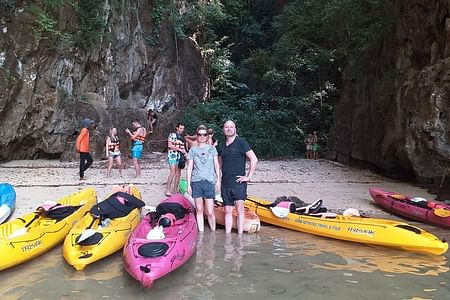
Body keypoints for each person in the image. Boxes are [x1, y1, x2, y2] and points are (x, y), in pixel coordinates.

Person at [218, 120, 258, 234]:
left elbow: (254, 159)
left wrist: (248, 177)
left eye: (231, 127)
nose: (229, 129)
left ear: (235, 129)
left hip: (238, 183)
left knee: (240, 210)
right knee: (228, 211)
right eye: (227, 127)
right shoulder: (221, 146)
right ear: (223, 129)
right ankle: (228, 237)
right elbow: (219, 162)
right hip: (225, 183)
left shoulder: (241, 142)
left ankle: (240, 237)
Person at [186, 125, 221, 232]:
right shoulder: (192, 150)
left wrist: (218, 181)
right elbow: (189, 168)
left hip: (209, 182)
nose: (202, 136)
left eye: (204, 134)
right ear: (197, 136)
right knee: (199, 209)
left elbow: (216, 166)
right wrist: (188, 185)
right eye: (200, 134)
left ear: (207, 137)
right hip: (196, 182)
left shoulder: (212, 149)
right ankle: (201, 233)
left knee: (210, 211)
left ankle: (213, 233)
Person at [165, 122, 187, 196]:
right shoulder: (172, 135)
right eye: (180, 128)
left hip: (179, 156)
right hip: (172, 156)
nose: (182, 130)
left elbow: (183, 148)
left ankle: (175, 190)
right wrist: (179, 149)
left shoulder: (182, 137)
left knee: (178, 174)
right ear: (177, 128)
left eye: (183, 129)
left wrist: (185, 153)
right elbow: (170, 145)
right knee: (173, 172)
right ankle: (167, 190)